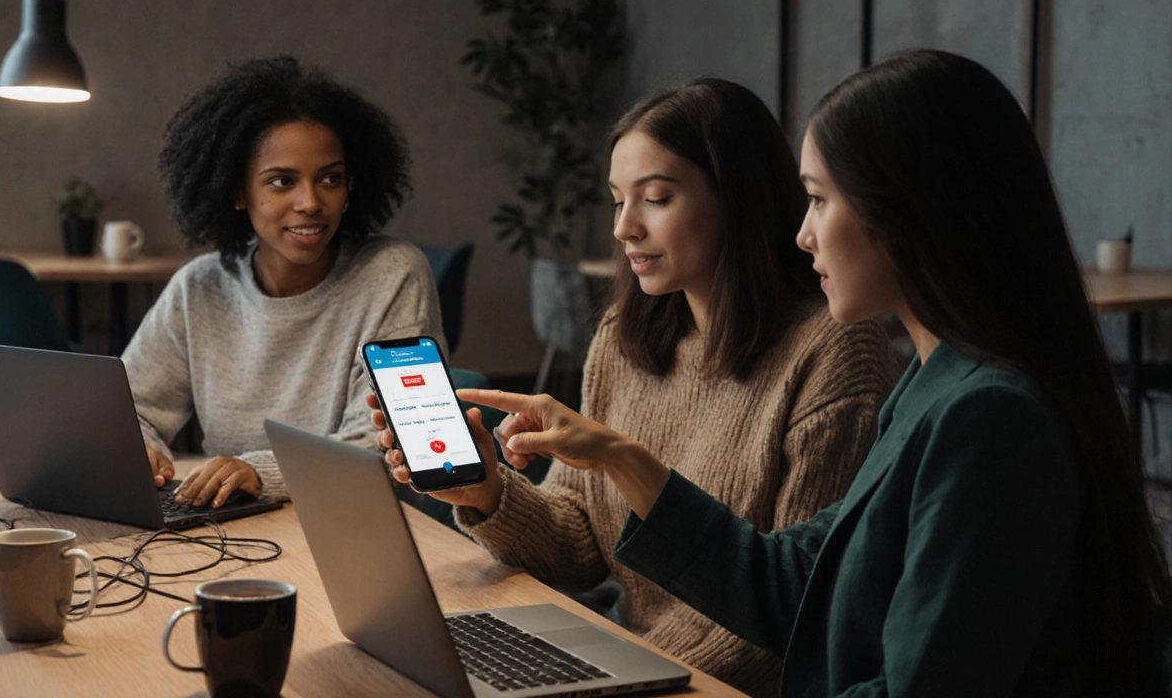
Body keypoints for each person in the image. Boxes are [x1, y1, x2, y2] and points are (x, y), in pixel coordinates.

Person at [426, 50, 1172, 696]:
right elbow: (792, 586)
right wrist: (614, 458)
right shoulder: (934, 384)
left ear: (907, 212)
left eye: (818, 200)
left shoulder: (989, 416)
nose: (803, 232)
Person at [374, 78, 901, 696]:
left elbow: (793, 609)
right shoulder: (625, 336)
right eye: (617, 201)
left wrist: (629, 669)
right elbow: (580, 546)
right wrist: (488, 492)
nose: (625, 228)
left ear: (738, 197)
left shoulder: (835, 353)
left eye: (655, 198)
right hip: (626, 660)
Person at [124, 56, 441, 509]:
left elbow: (385, 445)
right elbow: (127, 410)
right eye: (282, 181)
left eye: (330, 178)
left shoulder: (392, 275)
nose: (310, 202)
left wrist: (259, 473)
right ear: (237, 191)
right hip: (235, 526)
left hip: (359, 522)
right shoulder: (199, 287)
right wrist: (139, 449)